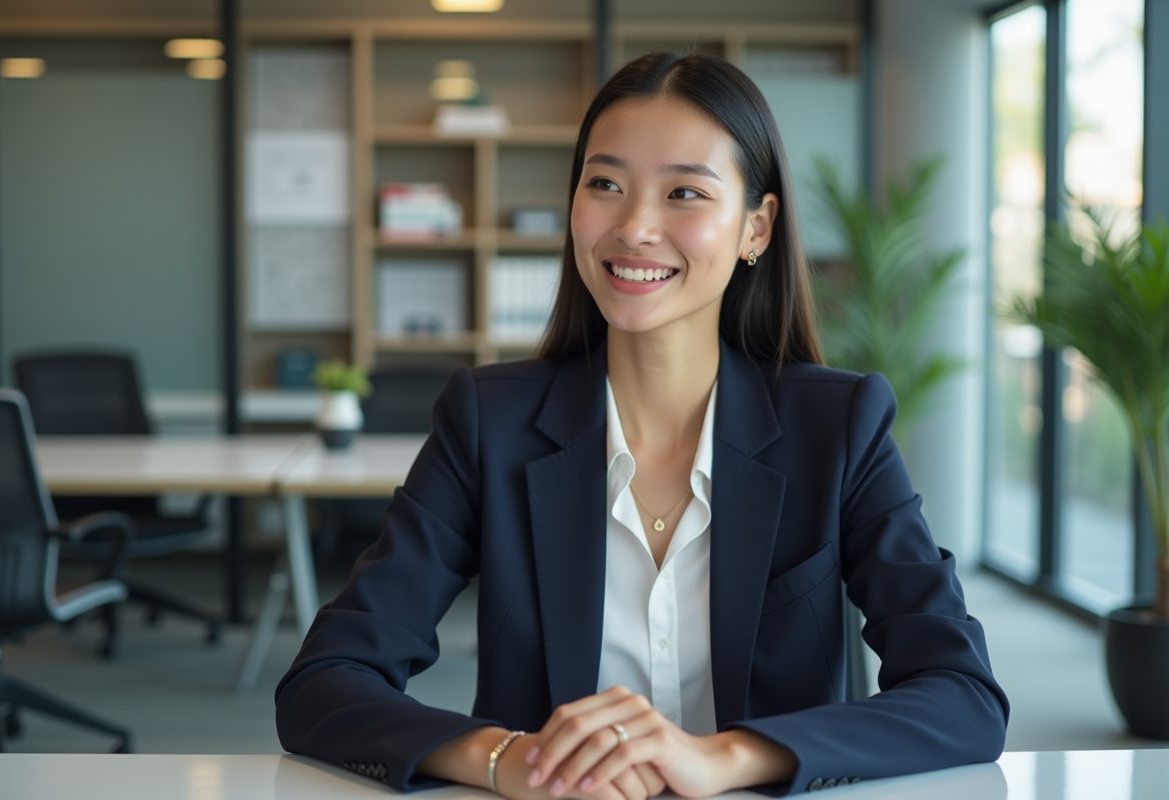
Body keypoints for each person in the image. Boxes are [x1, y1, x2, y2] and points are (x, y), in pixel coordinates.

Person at [276, 52, 1008, 798]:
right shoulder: (487, 422)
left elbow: (962, 694)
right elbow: (325, 680)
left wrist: (725, 758)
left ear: (756, 227)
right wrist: (507, 759)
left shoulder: (839, 427)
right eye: (605, 185)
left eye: (685, 192)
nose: (634, 227)